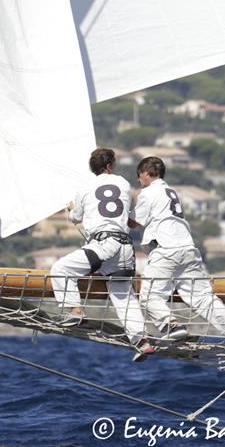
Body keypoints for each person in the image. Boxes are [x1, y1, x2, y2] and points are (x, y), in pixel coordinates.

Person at [49, 148, 155, 361]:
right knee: (124, 296)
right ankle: (142, 341)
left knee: (60, 269)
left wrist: (71, 211)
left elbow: (76, 217)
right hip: (125, 246)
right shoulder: (124, 184)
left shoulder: (85, 188)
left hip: (103, 243)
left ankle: (76, 312)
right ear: (110, 166)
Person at [129, 156, 225, 340]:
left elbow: (133, 222)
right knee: (200, 296)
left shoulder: (148, 193)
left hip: (166, 249)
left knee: (149, 296)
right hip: (188, 249)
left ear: (145, 173)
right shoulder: (173, 192)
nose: (139, 180)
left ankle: (172, 326)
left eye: (139, 176)